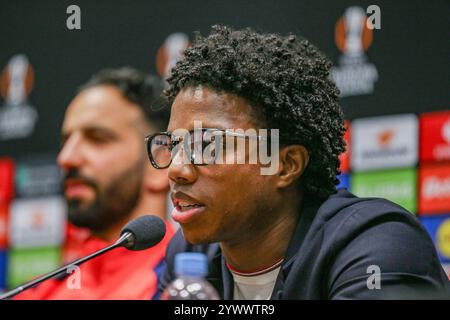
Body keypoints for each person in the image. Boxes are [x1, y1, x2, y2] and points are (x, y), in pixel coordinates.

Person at [154, 25, 450, 299]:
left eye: (207, 144)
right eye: (174, 144)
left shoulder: (378, 244)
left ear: (286, 164)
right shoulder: (191, 255)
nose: (177, 169)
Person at [16, 67, 174, 300]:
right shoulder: (38, 292)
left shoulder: (196, 289)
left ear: (158, 161)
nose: (66, 158)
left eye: (97, 138)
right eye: (66, 140)